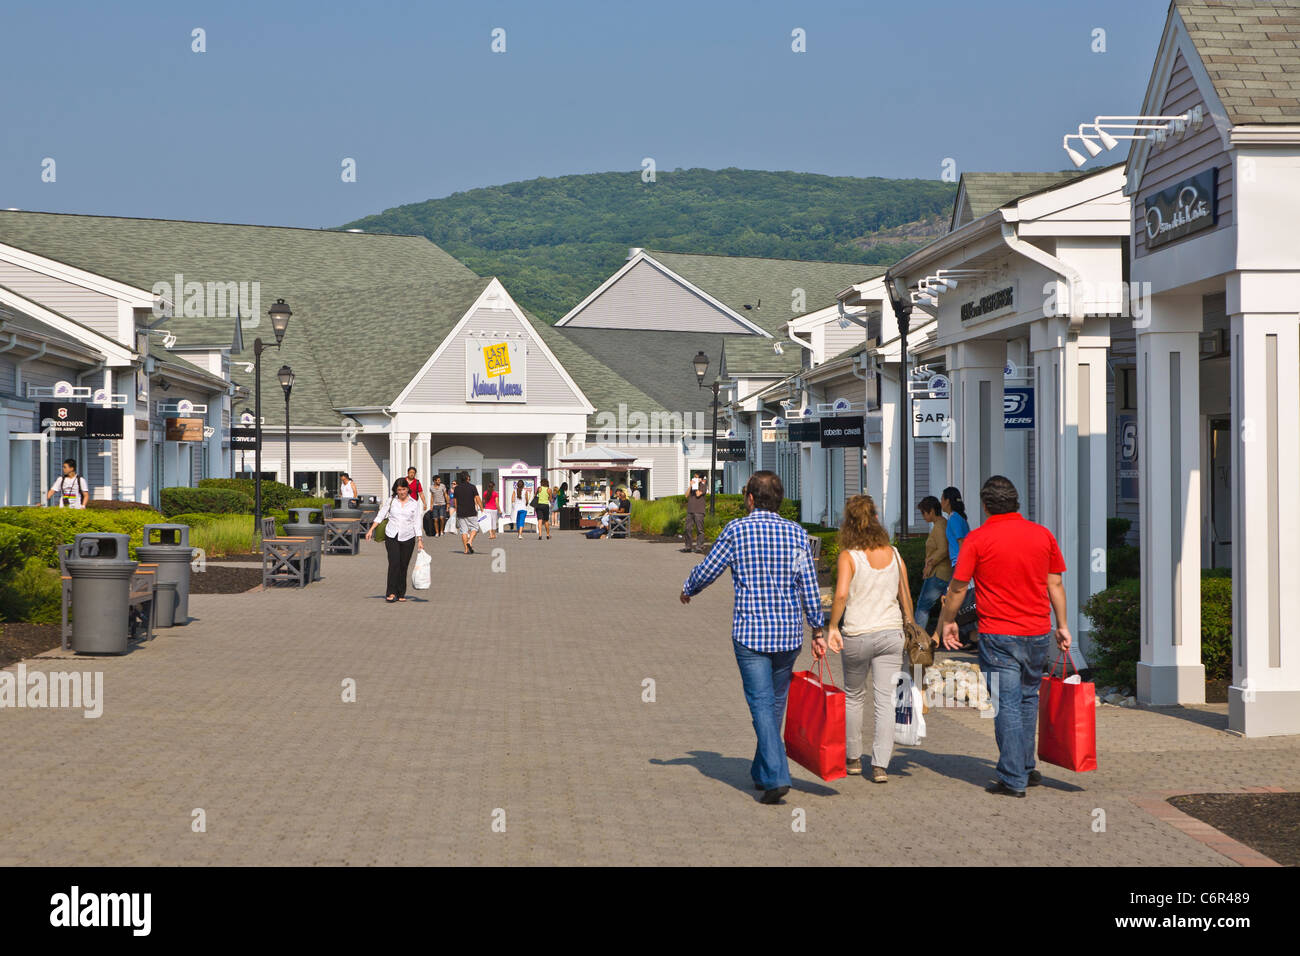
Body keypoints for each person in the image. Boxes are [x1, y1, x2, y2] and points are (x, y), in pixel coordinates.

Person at [680, 471, 827, 805]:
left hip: (751, 634)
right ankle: (763, 771)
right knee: (774, 703)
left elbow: (710, 568)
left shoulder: (737, 530)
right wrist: (817, 629)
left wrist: (689, 588)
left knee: (761, 703)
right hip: (788, 635)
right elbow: (808, 584)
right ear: (779, 500)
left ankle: (776, 775)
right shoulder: (797, 533)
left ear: (749, 498)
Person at [934, 475, 1071, 798]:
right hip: (1037, 631)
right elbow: (1054, 584)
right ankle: (1025, 765)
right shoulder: (1042, 535)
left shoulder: (978, 540)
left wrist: (948, 622)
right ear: (1016, 501)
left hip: (998, 634)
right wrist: (1062, 625)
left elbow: (958, 588)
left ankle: (1013, 778)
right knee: (1028, 698)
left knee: (1007, 704)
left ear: (985, 506)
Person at [826, 495, 917, 783]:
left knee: (854, 696)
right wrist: (910, 625)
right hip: (891, 634)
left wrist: (833, 626)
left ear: (849, 523)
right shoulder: (895, 554)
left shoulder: (849, 556)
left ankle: (853, 759)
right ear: (876, 519)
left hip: (857, 634)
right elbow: (905, 595)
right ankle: (880, 765)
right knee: (885, 700)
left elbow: (841, 595)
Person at [365, 477, 424, 603]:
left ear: (408, 489)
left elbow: (417, 522)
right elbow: (381, 515)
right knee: (394, 563)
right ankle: (391, 592)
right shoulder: (391, 500)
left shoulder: (414, 503)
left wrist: (419, 539)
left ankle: (401, 593)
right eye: (399, 490)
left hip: (408, 537)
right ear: (396, 490)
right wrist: (371, 530)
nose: (401, 492)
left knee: (403, 565)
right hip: (392, 536)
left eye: (404, 489)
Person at [915, 496, 952, 636]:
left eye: (923, 513)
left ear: (931, 511)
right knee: (945, 607)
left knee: (922, 607)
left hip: (938, 573)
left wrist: (930, 564)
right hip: (943, 572)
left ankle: (918, 638)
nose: (923, 516)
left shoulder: (939, 526)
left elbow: (943, 549)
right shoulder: (942, 524)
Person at [453, 470, 483, 555]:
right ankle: (470, 541)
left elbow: (455, 501)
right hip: (471, 512)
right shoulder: (472, 487)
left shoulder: (457, 488)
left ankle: (466, 550)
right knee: (475, 528)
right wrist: (482, 508)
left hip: (461, 512)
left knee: (464, 531)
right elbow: (477, 498)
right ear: (467, 478)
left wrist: (457, 510)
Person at [682, 483, 707, 553]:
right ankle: (688, 547)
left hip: (699, 511)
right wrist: (690, 486)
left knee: (700, 530)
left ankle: (699, 547)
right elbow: (686, 495)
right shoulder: (692, 487)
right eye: (694, 478)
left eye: (696, 478)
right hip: (690, 511)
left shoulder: (703, 486)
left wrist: (696, 486)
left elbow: (698, 494)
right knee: (688, 529)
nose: (694, 479)